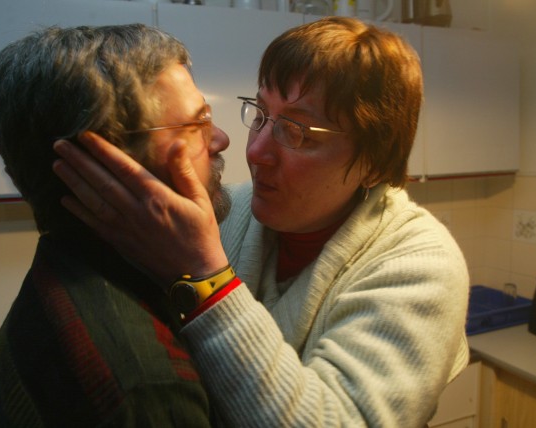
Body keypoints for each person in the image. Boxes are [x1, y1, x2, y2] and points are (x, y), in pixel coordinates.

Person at [52, 17, 470, 427]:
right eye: (260, 115)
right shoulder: (223, 211)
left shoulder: (419, 263)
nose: (255, 152)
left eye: (299, 132)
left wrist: (206, 278)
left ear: (374, 164)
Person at [0, 23, 231, 427]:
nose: (220, 139)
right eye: (197, 123)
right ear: (106, 168)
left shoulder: (61, 265)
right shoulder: (145, 387)